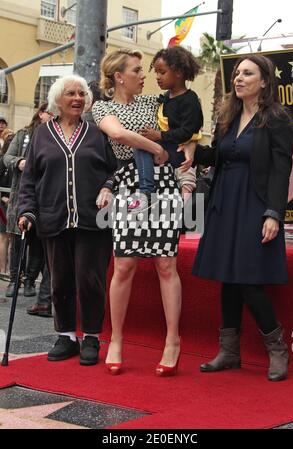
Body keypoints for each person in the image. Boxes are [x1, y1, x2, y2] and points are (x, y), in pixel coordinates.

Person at [189, 55, 293, 381]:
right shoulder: (228, 116)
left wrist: (274, 213)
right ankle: (229, 352)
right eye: (237, 73)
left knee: (248, 278)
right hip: (225, 202)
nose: (239, 78)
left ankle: (277, 349)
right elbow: (219, 157)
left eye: (247, 73)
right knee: (228, 278)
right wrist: (194, 150)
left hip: (256, 202)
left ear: (264, 81)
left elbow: (281, 169)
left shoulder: (277, 118)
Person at [92, 48, 190, 376]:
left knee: (166, 263)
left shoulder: (154, 103)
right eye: (136, 69)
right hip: (130, 183)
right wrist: (155, 146)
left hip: (163, 184)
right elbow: (118, 135)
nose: (143, 75)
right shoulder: (102, 107)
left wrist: (185, 148)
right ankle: (116, 339)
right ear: (119, 76)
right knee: (124, 263)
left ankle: (172, 339)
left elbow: (187, 129)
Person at [18, 74, 117, 365]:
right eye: (71, 94)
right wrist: (27, 211)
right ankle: (65, 336)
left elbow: (116, 170)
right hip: (53, 218)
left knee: (90, 280)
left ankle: (91, 337)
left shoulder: (98, 133)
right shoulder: (42, 134)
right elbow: (30, 179)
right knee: (60, 281)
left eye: (81, 94)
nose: (77, 98)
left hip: (92, 219)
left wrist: (108, 186)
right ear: (58, 100)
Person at [128, 46, 203, 213]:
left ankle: (150, 192)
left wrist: (158, 135)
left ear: (178, 72)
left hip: (179, 151)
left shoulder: (190, 100)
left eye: (162, 72)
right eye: (156, 72)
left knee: (186, 179)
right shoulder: (164, 98)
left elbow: (187, 131)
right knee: (140, 145)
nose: (157, 77)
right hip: (166, 147)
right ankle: (147, 190)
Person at [4, 104, 52, 310]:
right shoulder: (24, 134)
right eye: (50, 112)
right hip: (21, 195)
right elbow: (7, 157)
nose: (53, 116)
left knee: (39, 242)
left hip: (46, 196)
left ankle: (31, 280)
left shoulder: (54, 134)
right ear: (41, 114)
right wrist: (20, 161)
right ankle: (15, 280)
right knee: (17, 238)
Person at [0, 127, 14, 278]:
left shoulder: (17, 161)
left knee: (12, 240)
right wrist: (3, 197)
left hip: (16, 203)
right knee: (4, 237)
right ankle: (3, 270)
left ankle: (11, 271)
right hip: (3, 205)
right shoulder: (2, 160)